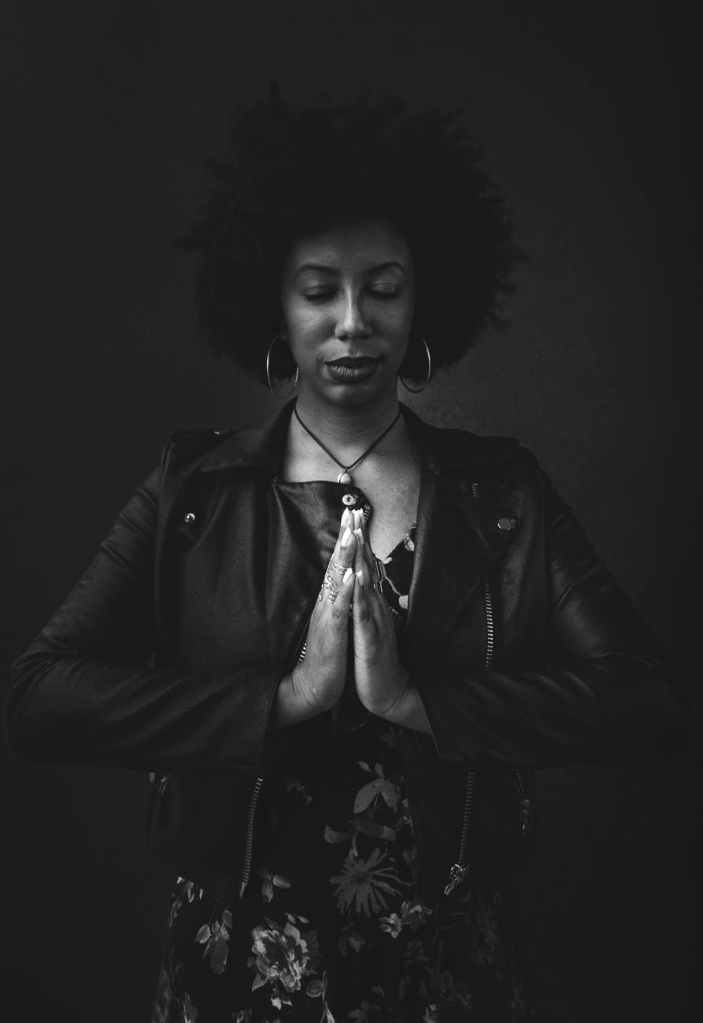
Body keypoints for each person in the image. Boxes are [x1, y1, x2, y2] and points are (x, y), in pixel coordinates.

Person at [7, 87, 682, 1023]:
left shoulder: (501, 495)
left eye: (384, 287)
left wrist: (421, 703)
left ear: (424, 298)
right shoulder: (194, 490)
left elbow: (645, 700)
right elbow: (39, 700)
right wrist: (280, 702)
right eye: (319, 289)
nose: (354, 321)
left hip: (441, 971)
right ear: (273, 307)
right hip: (238, 965)